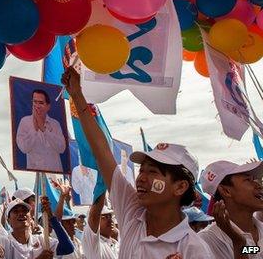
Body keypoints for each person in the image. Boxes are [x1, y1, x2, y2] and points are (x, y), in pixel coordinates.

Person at [62, 67, 212, 258]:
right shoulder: (132, 211)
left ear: (180, 186)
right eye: (142, 170)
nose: (141, 178)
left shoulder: (194, 249)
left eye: (153, 172)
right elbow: (102, 153)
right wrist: (77, 95)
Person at [198, 160, 263, 258]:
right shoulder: (206, 241)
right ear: (226, 191)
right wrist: (239, 243)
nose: (259, 185)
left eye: (254, 179)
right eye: (248, 180)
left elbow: (256, 250)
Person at [16, 89, 67, 172]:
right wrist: (35, 130)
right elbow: (24, 148)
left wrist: (44, 130)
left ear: (48, 106)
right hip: (36, 174)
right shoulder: (24, 122)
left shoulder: (55, 124)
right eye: (35, 102)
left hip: (56, 175)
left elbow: (61, 148)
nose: (37, 106)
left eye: (41, 103)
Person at [82, 194, 119, 259]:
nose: (110, 219)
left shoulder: (116, 244)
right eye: (105, 217)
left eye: (110, 216)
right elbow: (94, 217)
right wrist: (101, 187)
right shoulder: (93, 244)